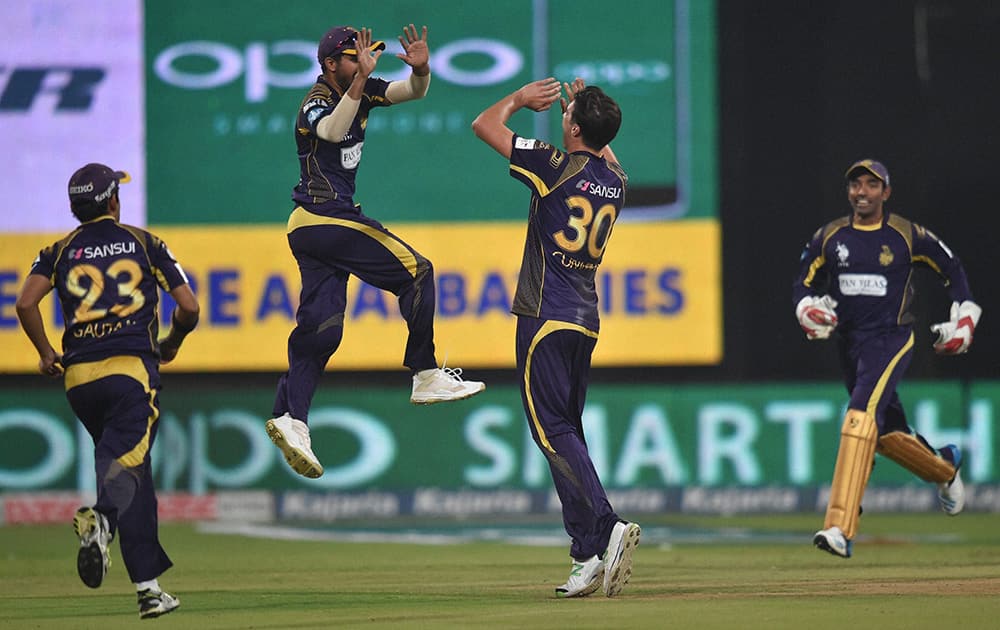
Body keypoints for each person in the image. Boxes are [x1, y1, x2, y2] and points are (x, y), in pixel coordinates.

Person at [266, 24, 485, 480]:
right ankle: (425, 374)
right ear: (331, 65)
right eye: (353, 58)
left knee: (320, 333)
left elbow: (413, 91)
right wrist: (362, 81)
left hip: (316, 230)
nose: (363, 63)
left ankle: (292, 418)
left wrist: (422, 68)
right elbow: (330, 131)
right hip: (325, 217)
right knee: (418, 271)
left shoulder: (360, 90)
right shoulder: (317, 100)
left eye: (365, 57)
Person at [472, 77, 640, 598]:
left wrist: (521, 100)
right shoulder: (614, 180)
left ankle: (607, 526)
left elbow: (485, 125)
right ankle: (585, 553)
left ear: (571, 127)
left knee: (552, 434)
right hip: (584, 320)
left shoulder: (554, 163)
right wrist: (584, 115)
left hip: (544, 318)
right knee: (566, 434)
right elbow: (609, 159)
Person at [15, 163, 199, 618]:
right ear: (113, 201)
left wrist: (44, 353)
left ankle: (150, 590)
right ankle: (100, 520)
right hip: (131, 374)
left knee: (132, 472)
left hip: (79, 382)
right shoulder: (143, 242)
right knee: (126, 473)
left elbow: (24, 302)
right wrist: (170, 343)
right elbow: (190, 308)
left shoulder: (57, 251)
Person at [794, 158, 981, 558]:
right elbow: (803, 282)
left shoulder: (906, 235)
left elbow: (952, 268)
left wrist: (964, 315)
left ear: (886, 192)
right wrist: (806, 306)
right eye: (856, 185)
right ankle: (945, 467)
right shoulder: (830, 237)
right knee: (886, 432)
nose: (862, 191)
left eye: (871, 185)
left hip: (891, 340)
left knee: (858, 415)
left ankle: (839, 527)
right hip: (850, 344)